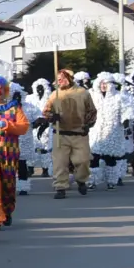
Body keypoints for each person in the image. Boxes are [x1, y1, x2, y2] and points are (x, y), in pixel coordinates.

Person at [39, 68, 97, 198]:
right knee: (60, 162)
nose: (60, 81)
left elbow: (91, 111)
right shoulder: (55, 95)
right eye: (58, 79)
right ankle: (60, 187)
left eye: (63, 79)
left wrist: (88, 124)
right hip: (60, 134)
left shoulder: (83, 93)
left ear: (70, 78)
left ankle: (81, 180)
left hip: (79, 133)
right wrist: (52, 116)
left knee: (82, 160)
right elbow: (46, 111)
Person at [0, 74, 30, 224]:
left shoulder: (13, 107)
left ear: (5, 91)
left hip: (9, 152)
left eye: (0, 89)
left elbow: (24, 127)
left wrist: (8, 125)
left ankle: (7, 210)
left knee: (8, 184)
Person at [90, 73, 128, 190]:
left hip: (113, 133)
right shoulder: (93, 96)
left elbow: (126, 114)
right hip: (95, 133)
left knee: (110, 158)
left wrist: (126, 123)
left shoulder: (119, 97)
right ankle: (92, 181)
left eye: (106, 83)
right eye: (101, 83)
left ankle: (111, 181)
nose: (103, 85)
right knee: (93, 158)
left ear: (111, 84)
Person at [25, 78, 54, 177]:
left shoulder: (51, 98)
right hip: (34, 126)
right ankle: (30, 168)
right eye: (38, 88)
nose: (40, 90)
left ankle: (45, 169)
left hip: (47, 127)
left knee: (45, 148)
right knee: (32, 147)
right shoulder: (30, 98)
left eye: (42, 88)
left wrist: (48, 120)